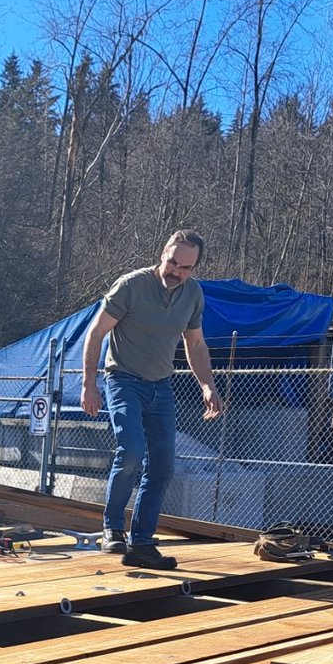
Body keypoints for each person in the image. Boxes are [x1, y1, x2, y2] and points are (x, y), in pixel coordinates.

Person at [80, 229, 224, 569]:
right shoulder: (131, 285)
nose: (176, 272)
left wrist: (207, 385)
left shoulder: (192, 294)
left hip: (161, 387)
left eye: (185, 267)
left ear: (195, 268)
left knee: (162, 466)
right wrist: (89, 383)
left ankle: (142, 544)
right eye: (173, 262)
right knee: (130, 451)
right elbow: (96, 332)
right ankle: (112, 529)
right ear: (163, 254)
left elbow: (196, 345)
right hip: (123, 380)